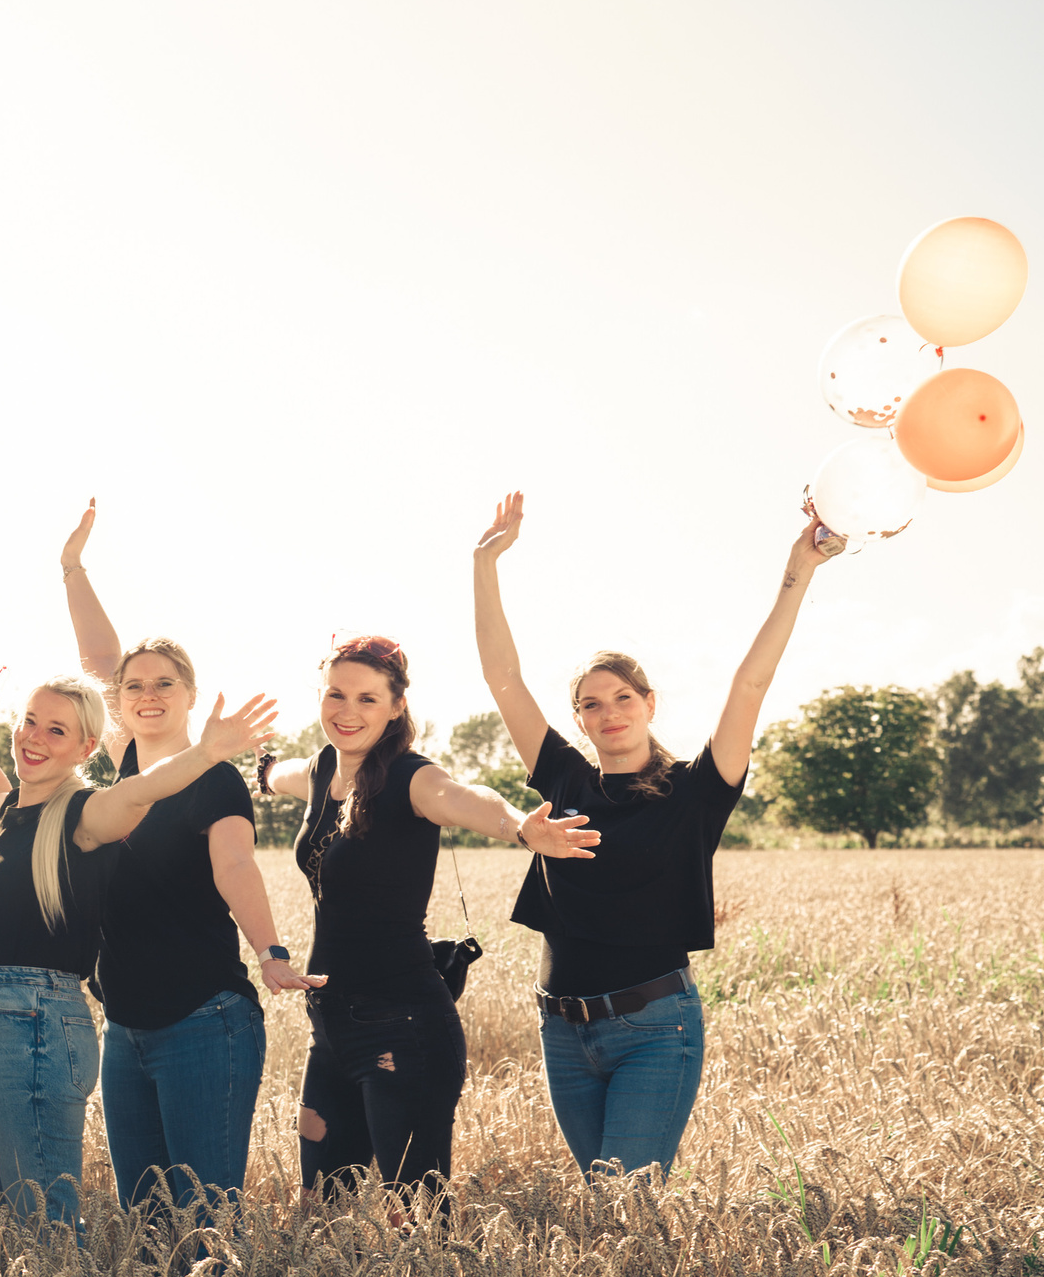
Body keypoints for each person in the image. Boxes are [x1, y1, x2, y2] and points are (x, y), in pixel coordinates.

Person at [474, 492, 828, 1177]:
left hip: (654, 1031)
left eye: (623, 698)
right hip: (562, 1030)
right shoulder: (566, 782)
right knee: (604, 1214)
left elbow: (749, 683)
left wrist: (799, 569)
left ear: (649, 704)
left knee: (622, 1205)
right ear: (579, 720)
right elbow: (503, 677)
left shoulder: (697, 791)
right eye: (591, 704)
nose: (609, 713)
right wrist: (485, 562)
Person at [259, 635, 598, 1207]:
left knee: (416, 1216)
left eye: (367, 699)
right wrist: (251, 769)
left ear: (396, 707)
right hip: (331, 1028)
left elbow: (468, 797)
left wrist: (520, 827)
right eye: (335, 695)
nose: (348, 711)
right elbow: (280, 774)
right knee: (319, 1211)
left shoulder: (411, 778)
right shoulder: (322, 770)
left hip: (403, 1027)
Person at [58, 499, 318, 1217]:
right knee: (144, 1221)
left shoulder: (214, 775)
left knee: (206, 1218)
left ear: (190, 697)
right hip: (126, 1028)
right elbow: (96, 660)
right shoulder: (118, 766)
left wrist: (270, 948)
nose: (146, 694)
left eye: (163, 684)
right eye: (134, 686)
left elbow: (235, 866)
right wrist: (73, 569)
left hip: (203, 1020)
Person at [0, 675, 277, 1227]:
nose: (34, 737)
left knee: (42, 1218)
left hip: (35, 1021)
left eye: (57, 730)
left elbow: (138, 792)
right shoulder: (8, 813)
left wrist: (203, 754)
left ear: (85, 749)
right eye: (30, 721)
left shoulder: (84, 815)